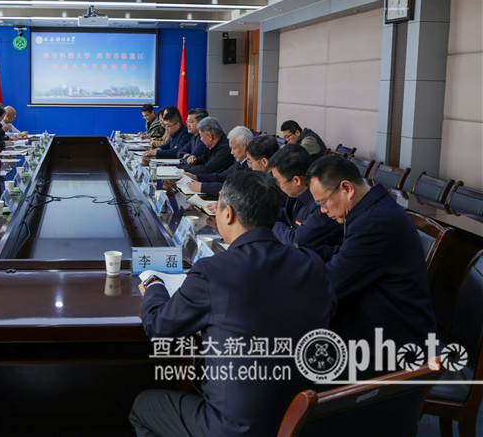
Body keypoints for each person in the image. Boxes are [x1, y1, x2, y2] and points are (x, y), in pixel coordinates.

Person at [130, 171, 335, 437]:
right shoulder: (311, 263)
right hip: (302, 416)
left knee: (143, 406)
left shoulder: (213, 271)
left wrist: (154, 285)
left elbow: (158, 326)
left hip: (235, 427)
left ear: (228, 214)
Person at [306, 155, 435, 349]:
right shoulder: (374, 209)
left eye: (323, 202)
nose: (323, 211)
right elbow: (344, 255)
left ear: (347, 188)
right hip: (379, 325)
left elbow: (332, 283)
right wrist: (301, 260)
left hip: (394, 344)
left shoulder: (374, 223)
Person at [267, 144, 343, 250]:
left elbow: (297, 241)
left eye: (279, 182)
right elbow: (284, 215)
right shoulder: (298, 194)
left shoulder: (323, 205)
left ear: (296, 180)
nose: (278, 187)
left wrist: (273, 224)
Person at [184, 126, 253, 196]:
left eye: (234, 148)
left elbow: (235, 189)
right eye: (231, 148)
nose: (232, 152)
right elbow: (222, 177)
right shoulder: (240, 161)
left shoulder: (252, 165)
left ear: (246, 146)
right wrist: (196, 177)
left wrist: (203, 187)